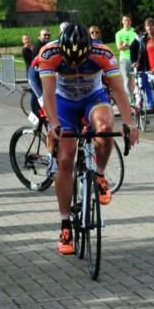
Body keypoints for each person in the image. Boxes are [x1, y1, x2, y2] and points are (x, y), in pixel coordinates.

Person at [37, 23, 138, 254]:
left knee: (105, 126)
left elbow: (118, 90)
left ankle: (99, 175)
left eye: (79, 60)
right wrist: (53, 125)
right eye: (69, 60)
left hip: (93, 98)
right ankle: (65, 225)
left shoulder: (103, 53)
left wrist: (129, 123)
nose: (74, 65)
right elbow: (48, 94)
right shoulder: (49, 53)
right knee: (65, 158)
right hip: (63, 103)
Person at [115, 15, 138, 98]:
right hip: (124, 59)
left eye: (128, 20)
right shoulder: (119, 34)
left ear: (131, 21)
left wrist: (125, 45)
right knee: (126, 80)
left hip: (135, 58)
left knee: (137, 79)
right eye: (125, 20)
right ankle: (130, 98)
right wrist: (129, 45)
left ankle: (138, 97)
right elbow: (119, 48)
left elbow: (138, 45)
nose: (127, 22)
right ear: (122, 22)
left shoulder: (135, 32)